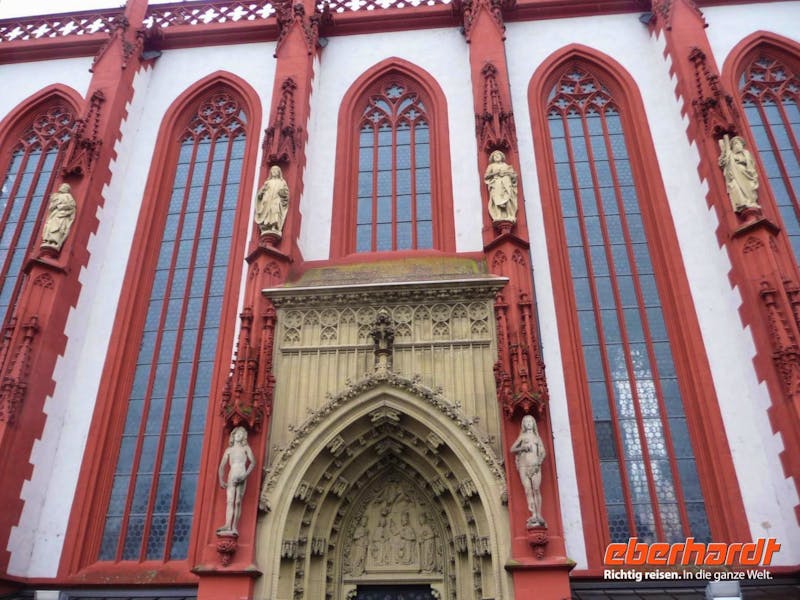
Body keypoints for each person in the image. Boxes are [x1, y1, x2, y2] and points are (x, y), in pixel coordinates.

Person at [216, 426, 255, 536]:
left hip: (241, 474)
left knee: (237, 501)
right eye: (236, 433)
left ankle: (234, 526)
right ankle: (227, 524)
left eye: (241, 433)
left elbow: (253, 462)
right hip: (232, 474)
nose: (238, 435)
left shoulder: (246, 448)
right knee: (229, 501)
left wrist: (245, 476)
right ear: (233, 435)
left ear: (244, 436)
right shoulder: (229, 450)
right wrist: (221, 480)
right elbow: (221, 467)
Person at [510, 414, 547, 528]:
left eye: (530, 422)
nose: (529, 424)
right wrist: (523, 448)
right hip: (523, 466)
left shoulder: (537, 438)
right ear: (524, 425)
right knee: (528, 490)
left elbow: (543, 452)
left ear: (533, 424)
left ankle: (539, 514)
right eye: (526, 422)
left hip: (535, 465)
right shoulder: (522, 437)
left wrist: (539, 462)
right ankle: (533, 514)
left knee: (536, 489)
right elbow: (512, 449)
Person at [718, 134, 760, 212]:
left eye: (740, 143)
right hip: (735, 174)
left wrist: (741, 160)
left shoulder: (746, 153)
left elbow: (750, 163)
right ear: (732, 146)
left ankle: (750, 202)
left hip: (746, 174)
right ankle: (743, 203)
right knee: (737, 188)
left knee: (749, 189)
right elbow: (724, 161)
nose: (738, 145)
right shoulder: (730, 154)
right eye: (736, 143)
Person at [484, 149, 518, 223]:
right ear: (492, 158)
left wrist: (509, 174)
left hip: (506, 183)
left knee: (508, 198)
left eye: (498, 155)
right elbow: (486, 176)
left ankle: (510, 215)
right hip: (496, 184)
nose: (496, 156)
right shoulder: (491, 166)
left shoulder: (506, 165)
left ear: (502, 156)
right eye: (495, 156)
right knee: (496, 199)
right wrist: (494, 173)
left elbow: (513, 175)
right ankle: (498, 216)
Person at [255, 165, 290, 236]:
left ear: (279, 172)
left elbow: (286, 192)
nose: (274, 172)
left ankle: (274, 226)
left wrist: (282, 192)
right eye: (272, 170)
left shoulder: (282, 182)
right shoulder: (268, 182)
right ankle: (267, 226)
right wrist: (262, 193)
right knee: (268, 212)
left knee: (275, 212)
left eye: (276, 170)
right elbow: (261, 193)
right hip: (267, 201)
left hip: (276, 200)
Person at [41, 182, 77, 251]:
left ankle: (55, 242)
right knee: (50, 226)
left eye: (64, 187)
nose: (61, 188)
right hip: (55, 214)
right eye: (62, 186)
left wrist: (61, 206)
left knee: (58, 228)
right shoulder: (56, 196)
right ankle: (48, 241)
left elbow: (72, 206)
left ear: (67, 189)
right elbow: (51, 207)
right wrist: (55, 204)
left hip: (62, 215)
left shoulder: (68, 196)